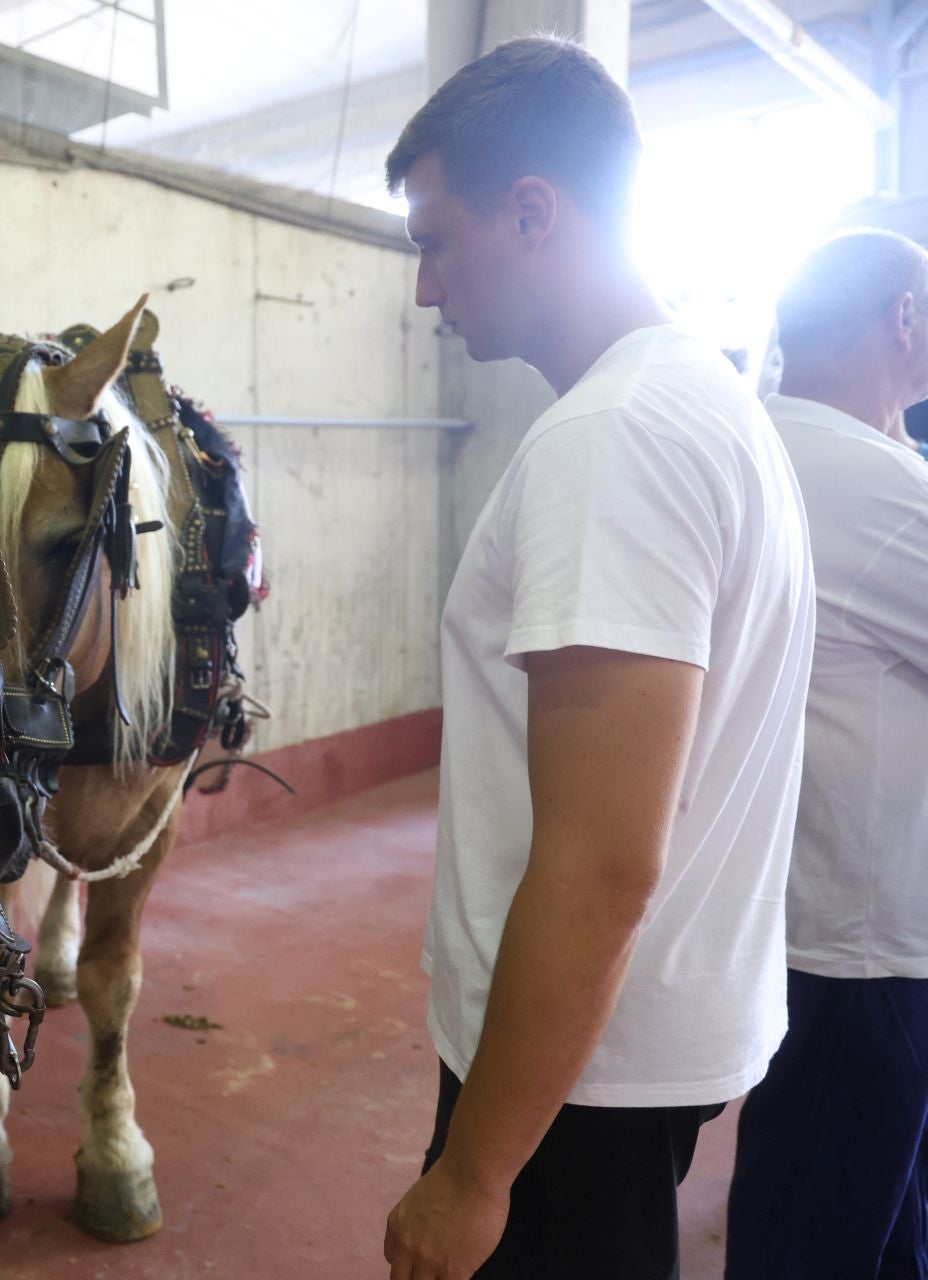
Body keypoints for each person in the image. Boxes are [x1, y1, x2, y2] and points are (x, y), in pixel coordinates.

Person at [379, 36, 815, 1280]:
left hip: (573, 1083)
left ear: (532, 212)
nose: (425, 287)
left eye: (435, 238)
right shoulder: (699, 400)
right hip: (613, 1054)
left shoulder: (613, 437)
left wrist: (472, 1172)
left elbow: (605, 860)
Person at [725, 229, 928, 1280]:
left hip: (799, 929)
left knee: (866, 1223)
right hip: (866, 946)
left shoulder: (765, 443)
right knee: (822, 1233)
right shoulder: (873, 486)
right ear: (904, 316)